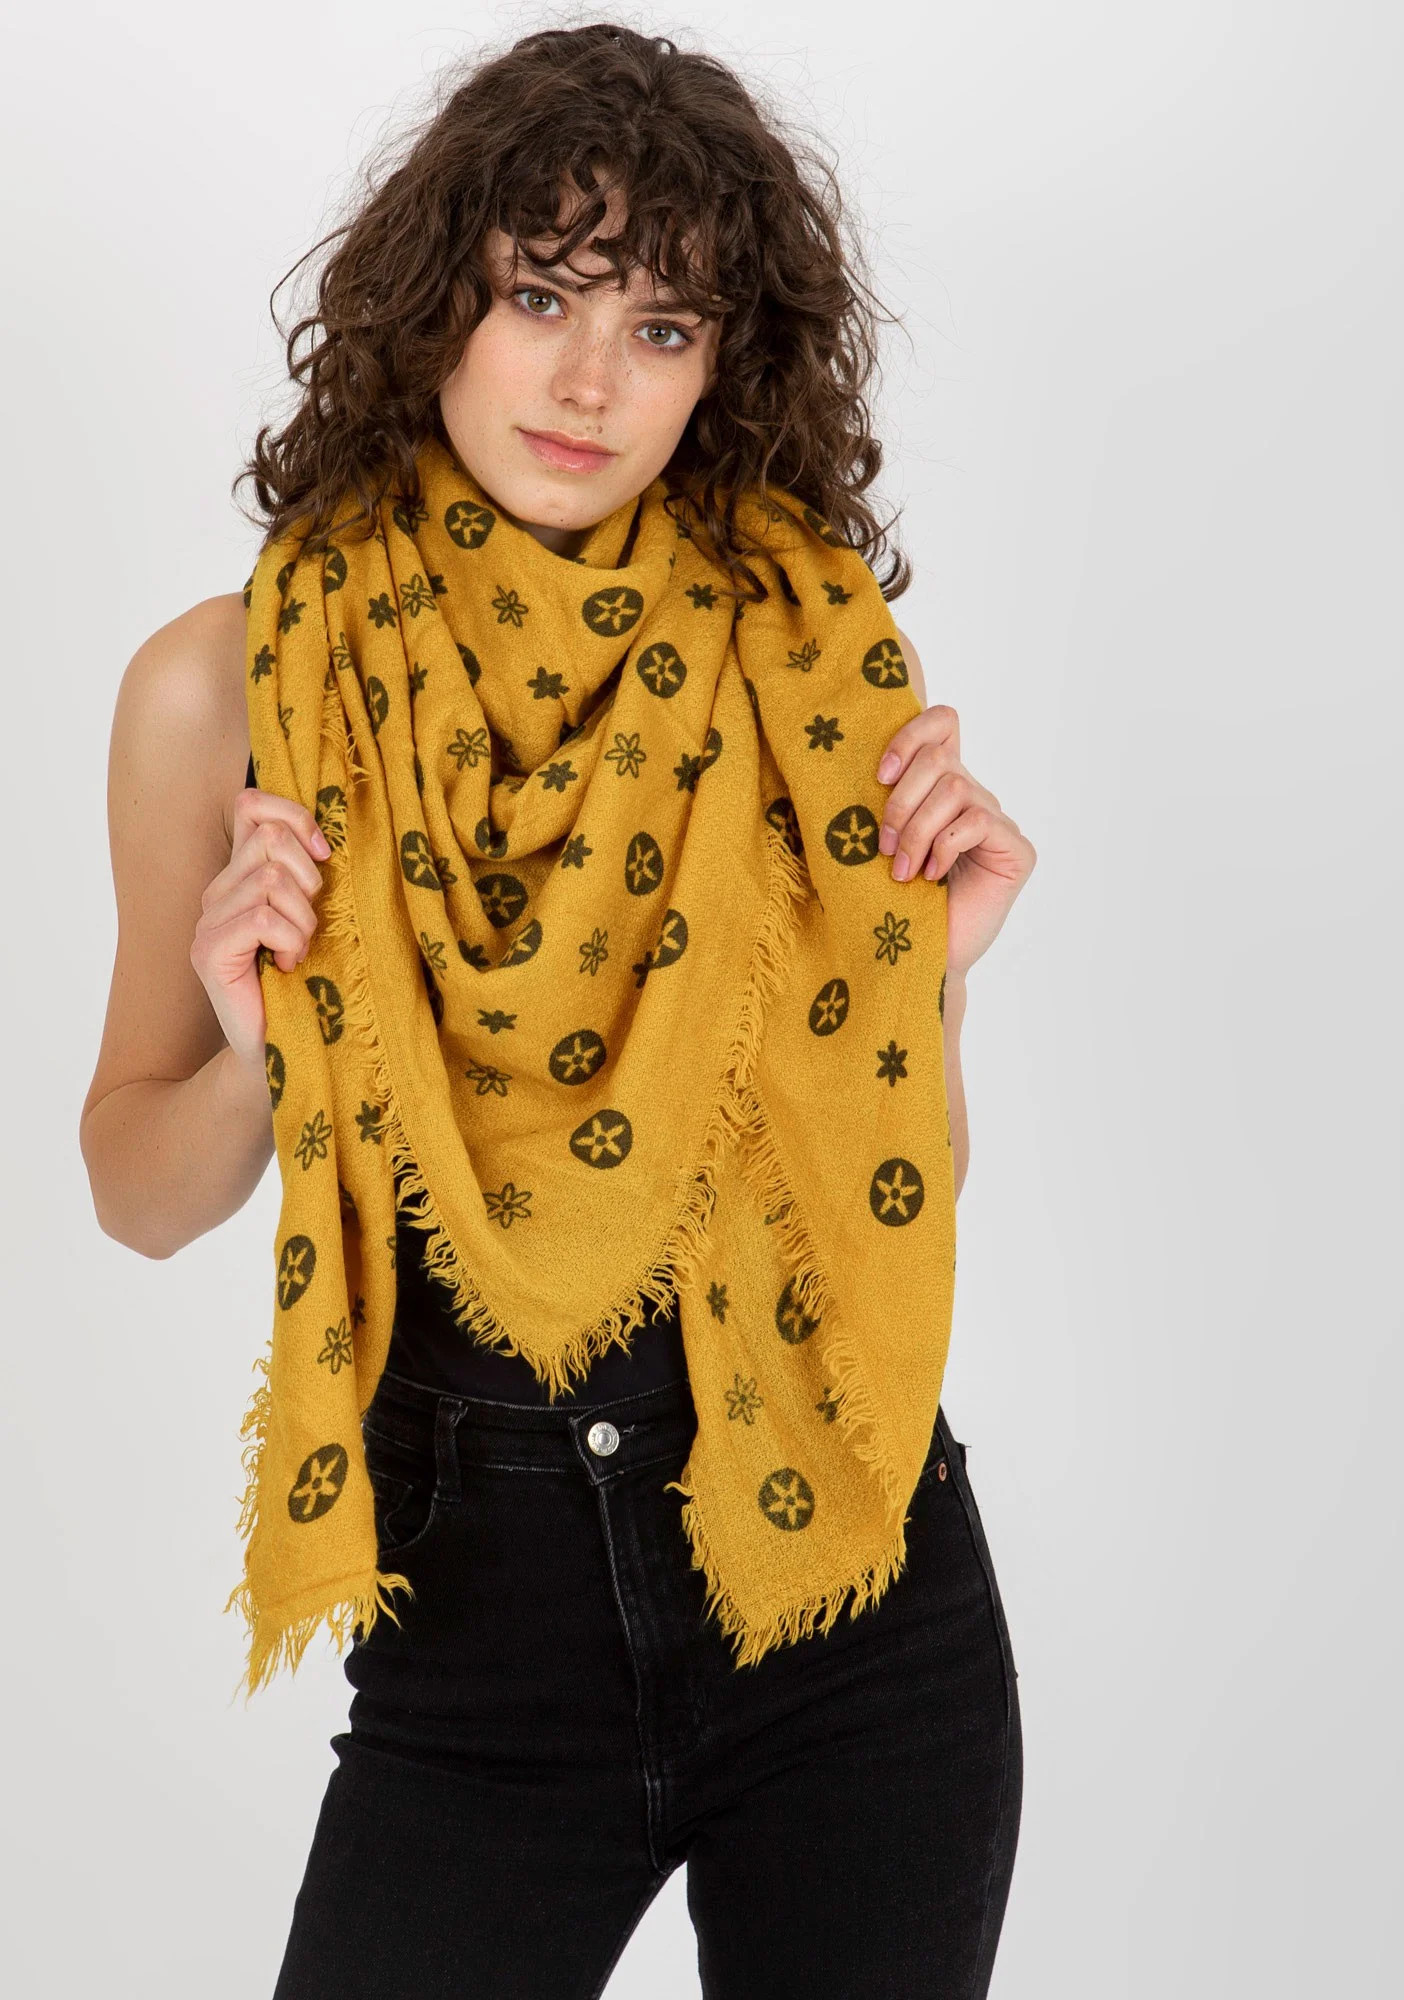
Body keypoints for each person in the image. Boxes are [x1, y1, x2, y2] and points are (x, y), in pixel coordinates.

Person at [79, 22, 1037, 1997]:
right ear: (436, 300)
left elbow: (906, 1187)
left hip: (851, 1602)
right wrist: (260, 1055)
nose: (592, 381)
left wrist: (934, 976)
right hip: (479, 1633)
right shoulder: (229, 684)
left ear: (726, 369)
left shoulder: (806, 659)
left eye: (662, 327)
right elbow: (137, 1191)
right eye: (541, 296)